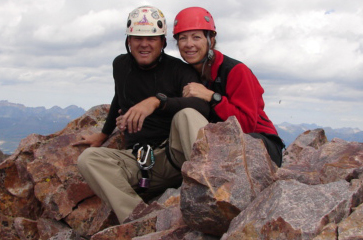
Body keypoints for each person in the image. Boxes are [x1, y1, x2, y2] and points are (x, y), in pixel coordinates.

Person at [73, 6, 209, 224]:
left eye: (152, 38)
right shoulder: (121, 65)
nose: (144, 44)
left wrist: (157, 101)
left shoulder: (179, 71)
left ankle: (210, 190)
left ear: (163, 42)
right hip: (139, 162)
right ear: (128, 40)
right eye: (137, 37)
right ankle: (140, 220)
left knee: (187, 114)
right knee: (88, 159)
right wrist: (104, 134)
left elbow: (201, 107)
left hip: (175, 157)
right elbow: (120, 94)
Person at [172, 7, 285, 166]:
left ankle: (205, 179)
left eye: (196, 37)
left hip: (261, 145)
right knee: (181, 118)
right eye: (183, 38)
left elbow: (246, 125)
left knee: (187, 115)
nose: (189, 44)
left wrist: (212, 97)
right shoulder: (186, 74)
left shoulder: (235, 70)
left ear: (210, 40)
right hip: (221, 147)